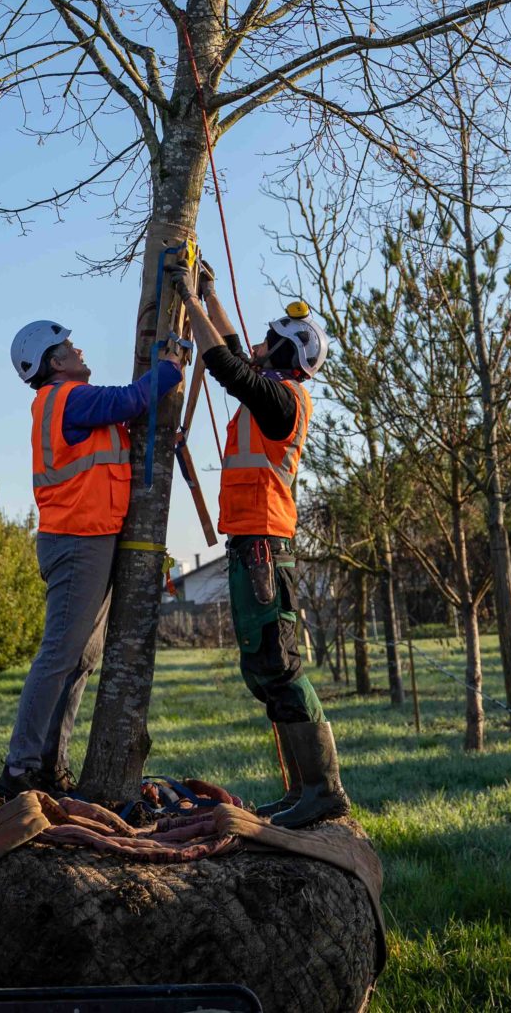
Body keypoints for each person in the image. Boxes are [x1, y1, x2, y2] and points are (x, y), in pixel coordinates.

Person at [173, 260, 349, 827]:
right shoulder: (273, 387)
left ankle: (323, 790)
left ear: (287, 357)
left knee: (279, 663)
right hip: (252, 541)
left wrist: (189, 301)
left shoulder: (283, 401)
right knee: (261, 666)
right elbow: (231, 349)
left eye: (270, 342)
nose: (258, 343)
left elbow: (225, 364)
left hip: (265, 545)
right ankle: (303, 791)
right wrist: (209, 294)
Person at [0, 318, 183, 801]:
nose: (79, 350)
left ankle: (49, 765)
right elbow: (129, 399)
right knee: (59, 655)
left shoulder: (69, 405)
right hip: (77, 542)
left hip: (88, 540)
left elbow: (122, 426)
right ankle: (20, 768)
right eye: (69, 347)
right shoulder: (69, 399)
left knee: (80, 659)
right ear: (55, 363)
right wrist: (170, 367)